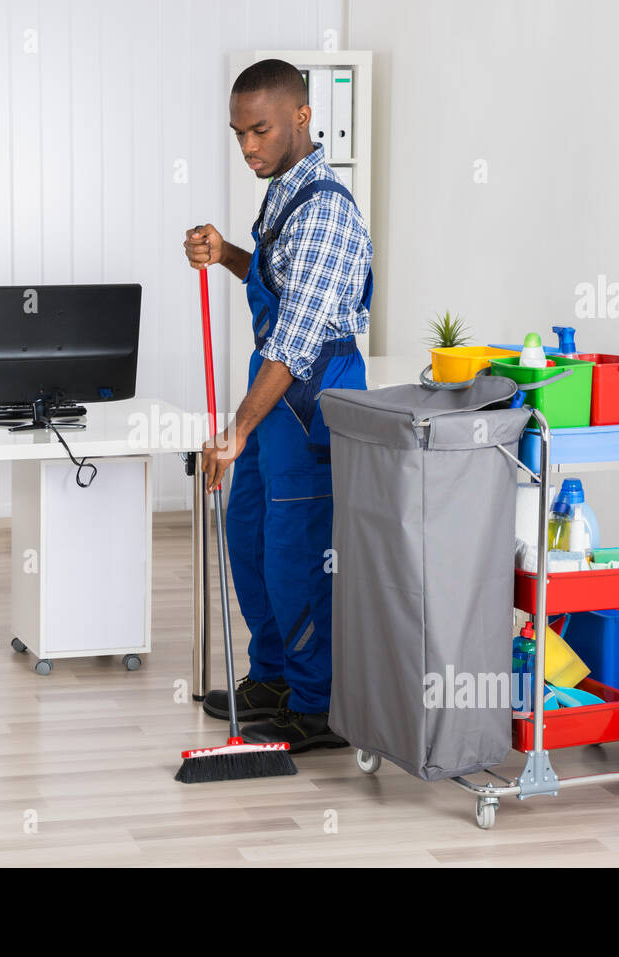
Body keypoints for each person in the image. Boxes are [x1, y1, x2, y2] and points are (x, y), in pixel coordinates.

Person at [183, 59, 373, 752]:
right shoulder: (285, 196)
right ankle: (273, 675)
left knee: (299, 551)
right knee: (250, 533)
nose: (248, 148)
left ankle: (317, 701)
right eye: (238, 135)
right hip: (274, 404)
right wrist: (228, 252)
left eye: (259, 130)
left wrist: (234, 430)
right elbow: (275, 278)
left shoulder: (324, 208)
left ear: (301, 116)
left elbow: (294, 343)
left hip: (309, 401)